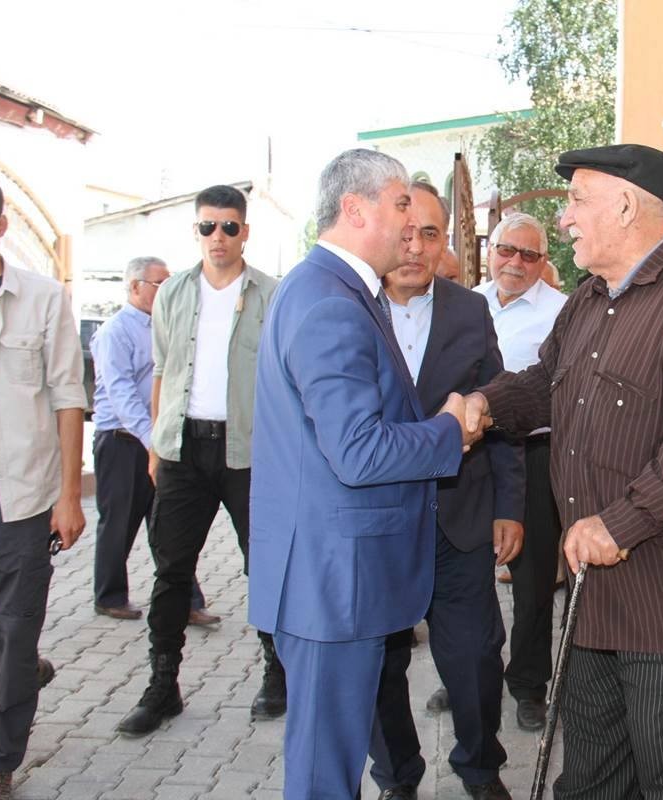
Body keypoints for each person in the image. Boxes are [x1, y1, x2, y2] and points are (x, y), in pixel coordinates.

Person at [465, 144, 663, 799]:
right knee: (590, 780)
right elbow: (545, 382)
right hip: (597, 601)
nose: (565, 220)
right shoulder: (587, 300)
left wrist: (620, 523)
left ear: (628, 206)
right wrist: (486, 405)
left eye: (577, 200)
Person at [249, 149, 476, 799]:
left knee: (329, 761)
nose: (411, 222)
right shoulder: (330, 301)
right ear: (355, 209)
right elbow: (358, 451)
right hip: (333, 583)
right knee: (324, 773)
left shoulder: (333, 290)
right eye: (400, 204)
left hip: (331, 577)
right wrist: (450, 429)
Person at [368, 183, 522, 800]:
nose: (415, 247)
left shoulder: (469, 311)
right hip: (376, 526)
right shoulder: (351, 306)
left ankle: (480, 770)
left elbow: (500, 409)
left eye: (429, 234)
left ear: (445, 244)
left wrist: (509, 507)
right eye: (405, 233)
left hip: (458, 520)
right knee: (379, 664)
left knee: (477, 657)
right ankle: (397, 777)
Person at [117, 185, 282, 737]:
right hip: (183, 450)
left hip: (247, 451)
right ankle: (162, 685)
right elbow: (162, 371)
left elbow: (283, 381)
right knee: (171, 571)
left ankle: (277, 672)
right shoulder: (173, 292)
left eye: (229, 226)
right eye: (208, 226)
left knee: (263, 564)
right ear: (196, 231)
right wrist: (156, 446)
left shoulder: (270, 295)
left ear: (245, 232)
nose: (219, 237)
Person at [0, 171, 85, 799]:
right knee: (1, 646)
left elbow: (68, 398)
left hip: (16, 490)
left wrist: (68, 495)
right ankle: (14, 675)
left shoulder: (39, 298)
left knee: (17, 627)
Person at [473, 214, 566, 733]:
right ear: (490, 251)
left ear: (543, 262)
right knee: (466, 573)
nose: (515, 262)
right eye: (507, 250)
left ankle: (529, 684)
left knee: (532, 580)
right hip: (469, 455)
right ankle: (469, 671)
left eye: (529, 255)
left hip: (533, 455)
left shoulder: (562, 313)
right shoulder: (466, 305)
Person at [88, 257, 212, 624]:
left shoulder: (168, 325)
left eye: (169, 282)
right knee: (119, 522)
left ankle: (187, 601)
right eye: (159, 283)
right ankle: (109, 596)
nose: (166, 289)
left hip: (158, 441)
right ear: (134, 287)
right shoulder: (115, 332)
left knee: (170, 523)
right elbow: (121, 393)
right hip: (123, 441)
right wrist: (152, 440)